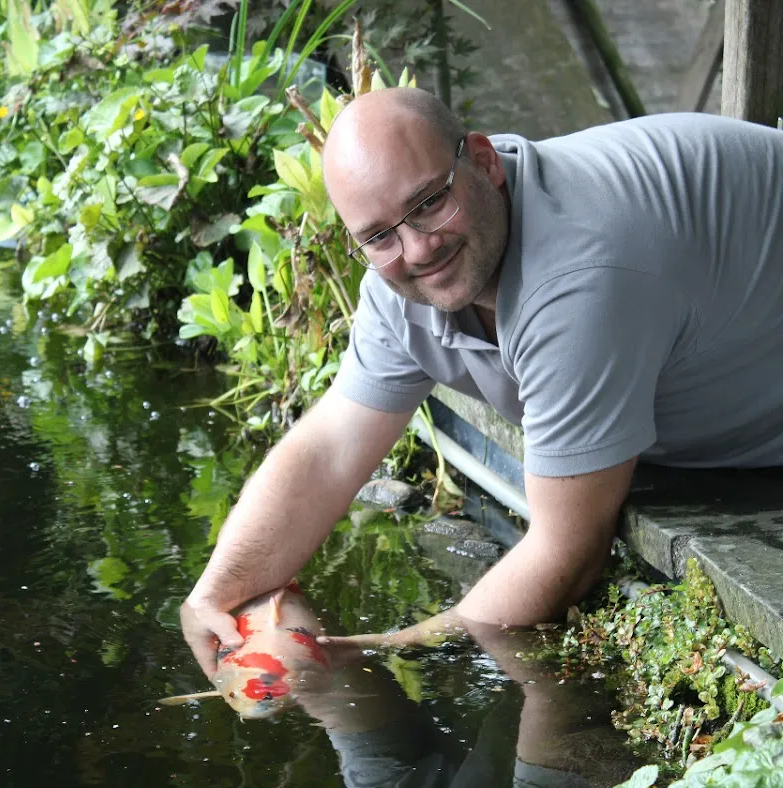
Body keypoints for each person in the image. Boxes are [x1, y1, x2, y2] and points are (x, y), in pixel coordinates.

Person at [180, 87, 783, 676]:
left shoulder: (579, 278)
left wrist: (376, 650)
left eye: (428, 203)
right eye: (379, 235)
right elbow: (329, 448)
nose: (418, 248)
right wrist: (217, 591)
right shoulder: (402, 281)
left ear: (485, 161)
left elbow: (568, 554)